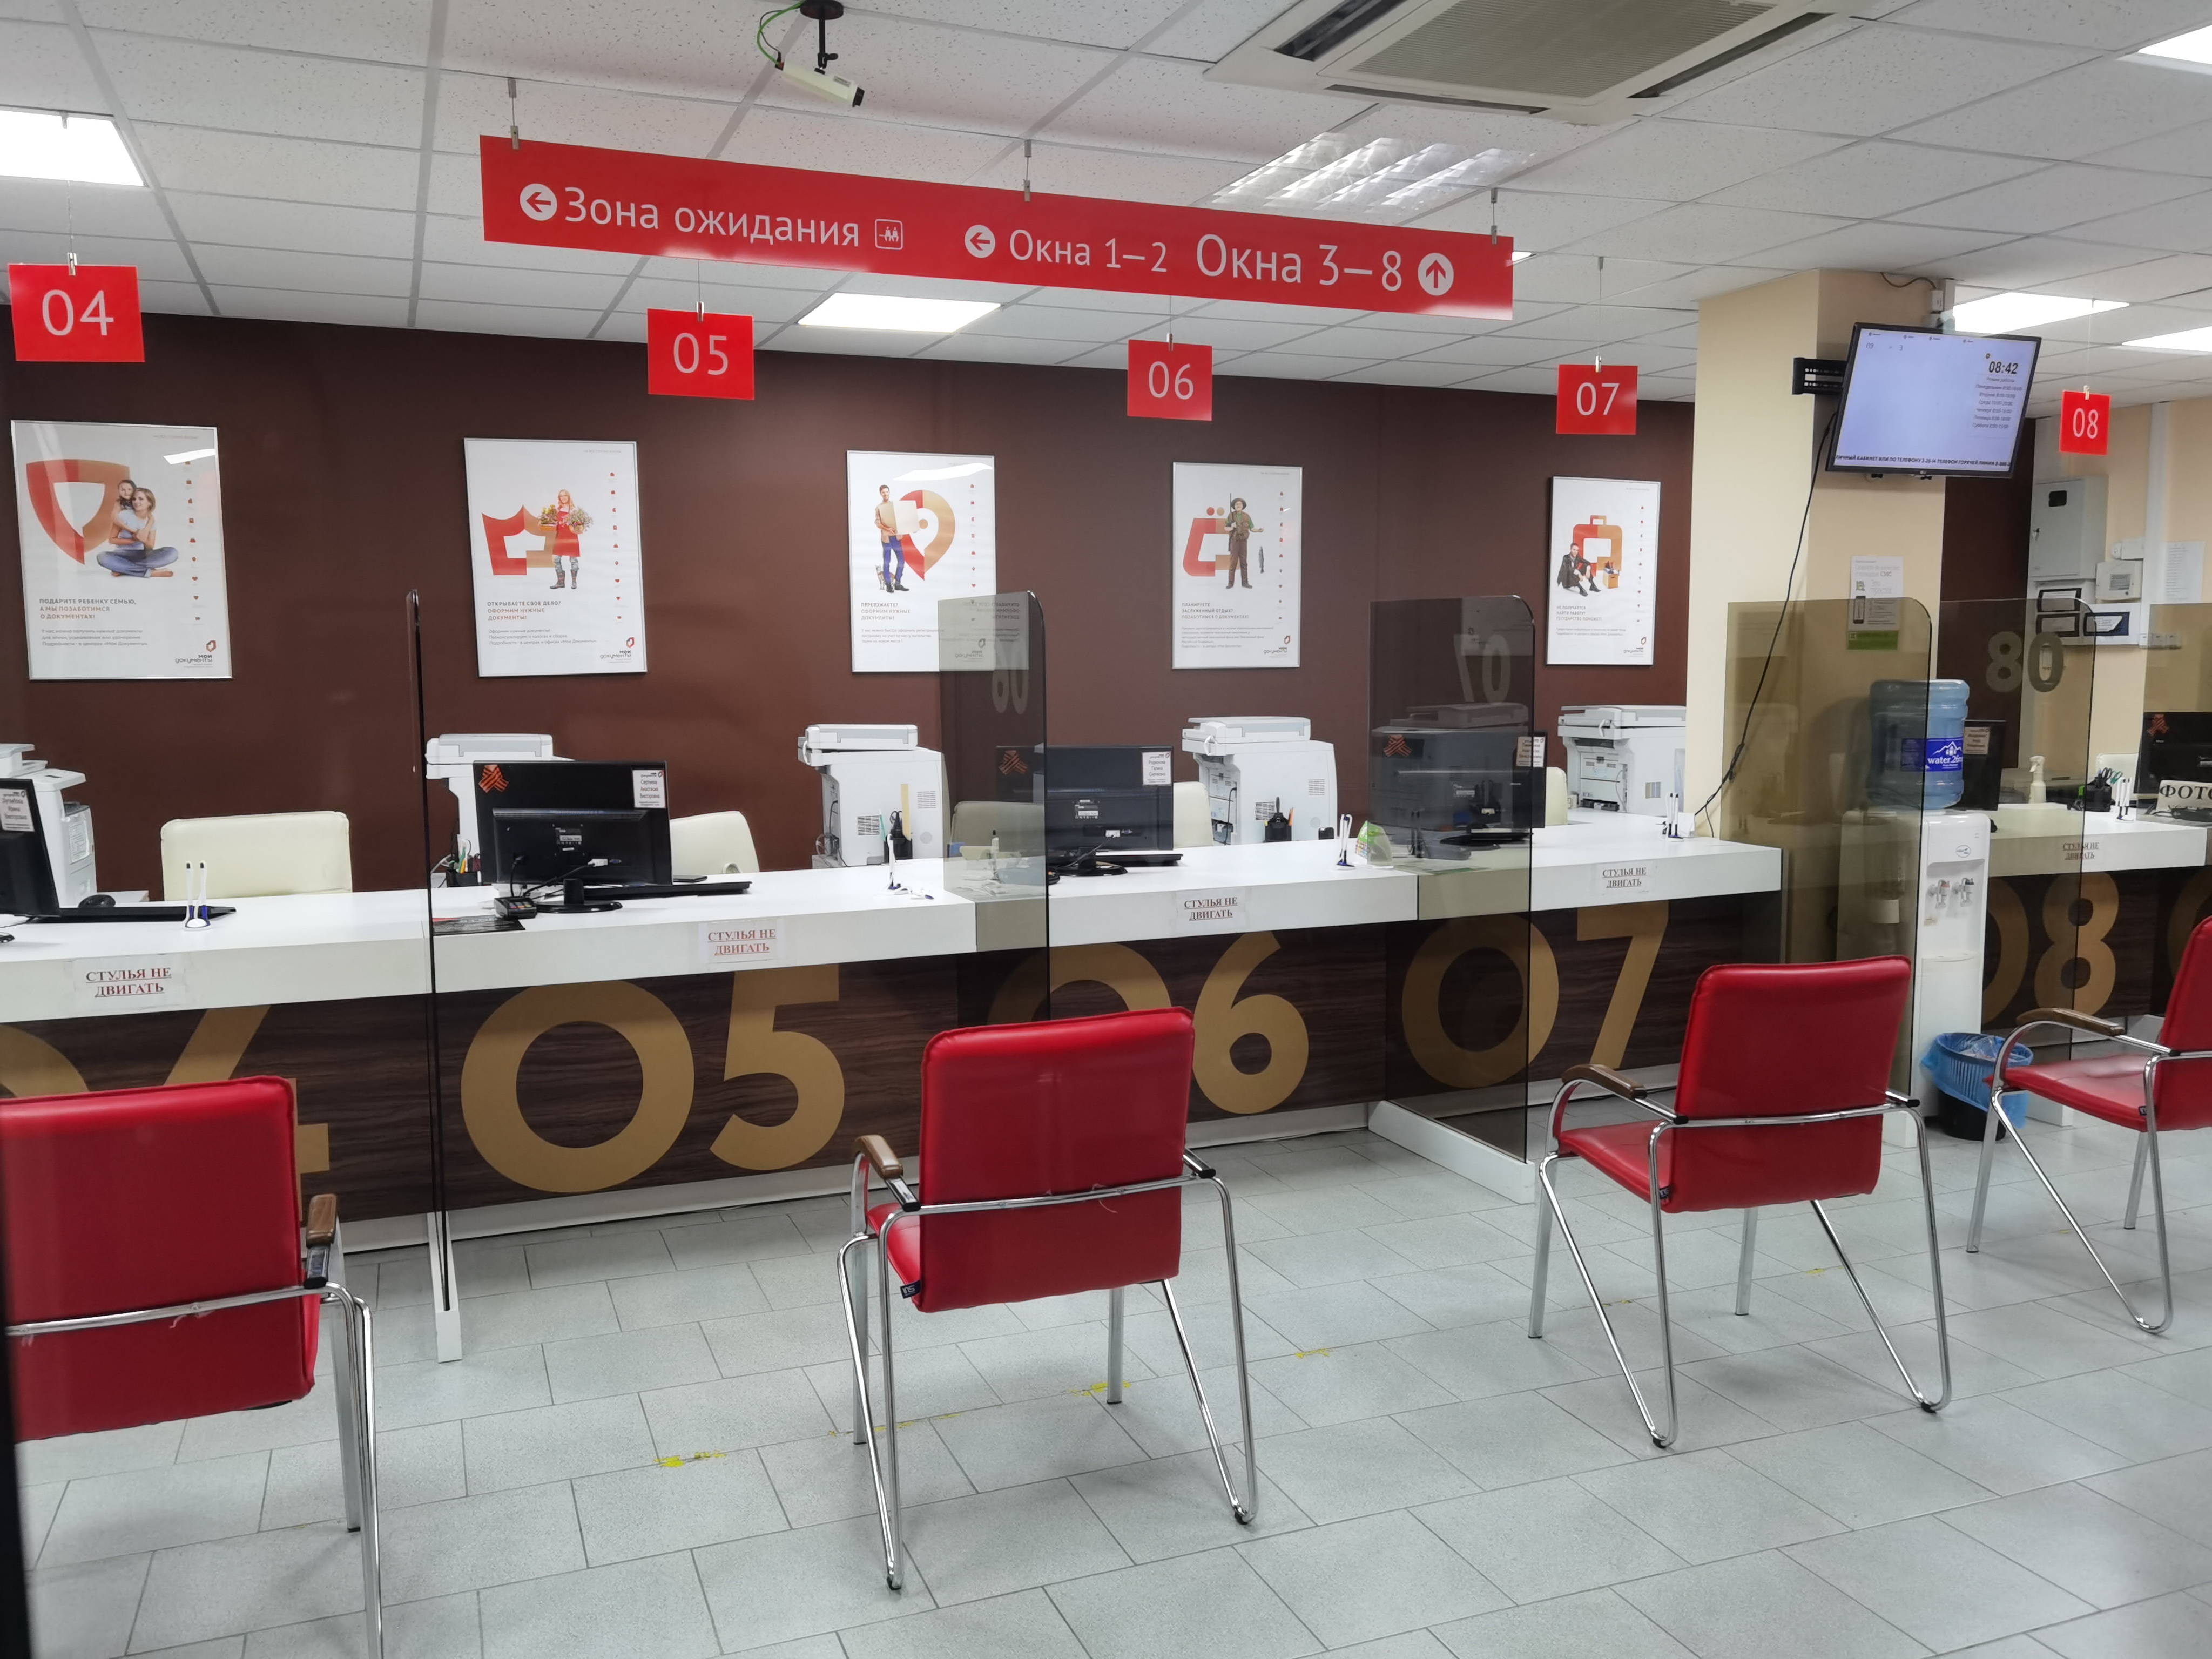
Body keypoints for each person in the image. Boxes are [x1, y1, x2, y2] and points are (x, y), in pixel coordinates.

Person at [97, 485, 178, 578]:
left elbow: (150, 547)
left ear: (150, 503)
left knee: (173, 553)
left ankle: (123, 568)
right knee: (102, 557)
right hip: (122, 555)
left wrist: (144, 540)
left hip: (142, 556)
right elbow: (112, 540)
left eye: (141, 499)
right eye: (134, 499)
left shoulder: (151, 522)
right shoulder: (124, 515)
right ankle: (149, 573)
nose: (136, 502)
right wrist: (134, 540)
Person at [537, 488, 589, 589]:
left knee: (573, 560)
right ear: (559, 498)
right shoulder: (557, 510)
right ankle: (561, 582)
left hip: (571, 537)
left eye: (565, 496)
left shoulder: (573, 510)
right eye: (561, 496)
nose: (563, 498)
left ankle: (574, 582)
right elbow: (551, 521)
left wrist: (577, 526)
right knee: (556, 559)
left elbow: (580, 523)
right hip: (560, 537)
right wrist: (543, 522)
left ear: (569, 497)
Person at [873, 484, 907, 592]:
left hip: (896, 538)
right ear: (881, 494)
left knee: (901, 561)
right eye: (883, 492)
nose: (885, 494)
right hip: (887, 539)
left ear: (889, 492)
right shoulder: (879, 508)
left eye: (887, 492)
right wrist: (888, 529)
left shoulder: (895, 506)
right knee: (887, 563)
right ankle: (888, 584)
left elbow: (901, 519)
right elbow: (878, 523)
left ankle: (897, 583)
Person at [1222, 497, 1255, 589]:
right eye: (1237, 504)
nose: (1239, 506)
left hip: (1243, 542)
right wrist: (1232, 527)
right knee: (1233, 562)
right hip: (1235, 541)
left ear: (1243, 506)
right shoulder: (1231, 516)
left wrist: (1259, 530)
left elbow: (1252, 528)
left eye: (1240, 504)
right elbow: (1226, 528)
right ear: (1234, 506)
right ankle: (1230, 583)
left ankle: (1245, 583)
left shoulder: (1247, 516)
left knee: (1244, 562)